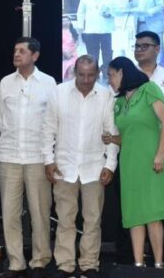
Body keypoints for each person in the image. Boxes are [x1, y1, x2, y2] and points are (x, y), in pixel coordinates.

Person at [42, 56, 119, 278]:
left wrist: (110, 164)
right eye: (82, 74)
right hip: (64, 166)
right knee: (65, 219)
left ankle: (89, 265)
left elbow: (111, 133)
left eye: (91, 75)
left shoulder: (106, 96)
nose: (86, 80)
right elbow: (48, 129)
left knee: (93, 220)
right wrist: (48, 160)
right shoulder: (59, 93)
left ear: (98, 74)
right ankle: (65, 265)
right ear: (74, 72)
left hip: (94, 167)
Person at [104, 57, 164, 268]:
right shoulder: (118, 103)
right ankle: (138, 265)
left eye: (110, 75)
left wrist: (160, 154)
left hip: (152, 161)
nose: (109, 80)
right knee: (134, 215)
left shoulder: (149, 89)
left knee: (153, 214)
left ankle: (158, 264)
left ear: (121, 72)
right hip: (129, 164)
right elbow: (127, 137)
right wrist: (112, 139)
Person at [0, 37, 57, 278]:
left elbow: (53, 122)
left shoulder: (49, 83)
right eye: (15, 50)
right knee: (9, 213)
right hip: (9, 155)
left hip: (37, 156)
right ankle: (16, 263)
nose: (16, 54)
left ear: (35, 56)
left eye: (22, 51)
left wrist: (50, 156)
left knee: (40, 212)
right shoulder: (5, 82)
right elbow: (2, 120)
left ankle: (40, 260)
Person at [76, 0, 115, 78]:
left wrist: (110, 14)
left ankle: (107, 71)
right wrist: (80, 26)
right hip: (90, 30)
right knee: (92, 53)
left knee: (107, 52)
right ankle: (94, 72)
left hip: (106, 30)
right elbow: (80, 12)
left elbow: (117, 11)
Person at [128, 0, 164, 64]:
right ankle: (145, 66)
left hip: (154, 25)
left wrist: (148, 12)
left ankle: (158, 67)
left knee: (156, 46)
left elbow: (160, 6)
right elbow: (131, 9)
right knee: (143, 46)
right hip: (140, 25)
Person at [61, 15, 79, 80]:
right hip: (62, 54)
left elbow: (77, 43)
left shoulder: (73, 31)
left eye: (67, 21)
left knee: (72, 69)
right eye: (63, 21)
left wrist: (71, 52)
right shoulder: (58, 31)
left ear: (70, 21)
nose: (65, 22)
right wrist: (64, 53)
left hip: (72, 54)